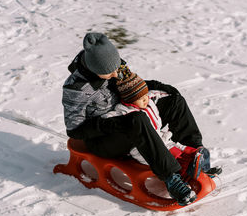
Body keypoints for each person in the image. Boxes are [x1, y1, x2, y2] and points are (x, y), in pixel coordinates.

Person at [62, 32, 221, 206]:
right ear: (94, 69)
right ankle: (171, 178)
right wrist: (115, 124)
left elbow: (133, 84)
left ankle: (194, 153)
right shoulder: (76, 88)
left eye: (117, 68)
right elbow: (75, 130)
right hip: (103, 139)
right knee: (136, 120)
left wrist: (162, 87)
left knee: (174, 101)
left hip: (128, 114)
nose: (116, 74)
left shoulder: (115, 65)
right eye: (110, 73)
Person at [101, 67, 210, 180]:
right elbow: (109, 118)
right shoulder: (124, 111)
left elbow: (155, 94)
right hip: (142, 149)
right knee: (173, 154)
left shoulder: (147, 100)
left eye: (145, 95)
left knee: (177, 147)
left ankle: (198, 159)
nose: (145, 99)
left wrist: (169, 91)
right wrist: (107, 123)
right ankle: (182, 172)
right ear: (129, 99)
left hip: (157, 138)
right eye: (140, 98)